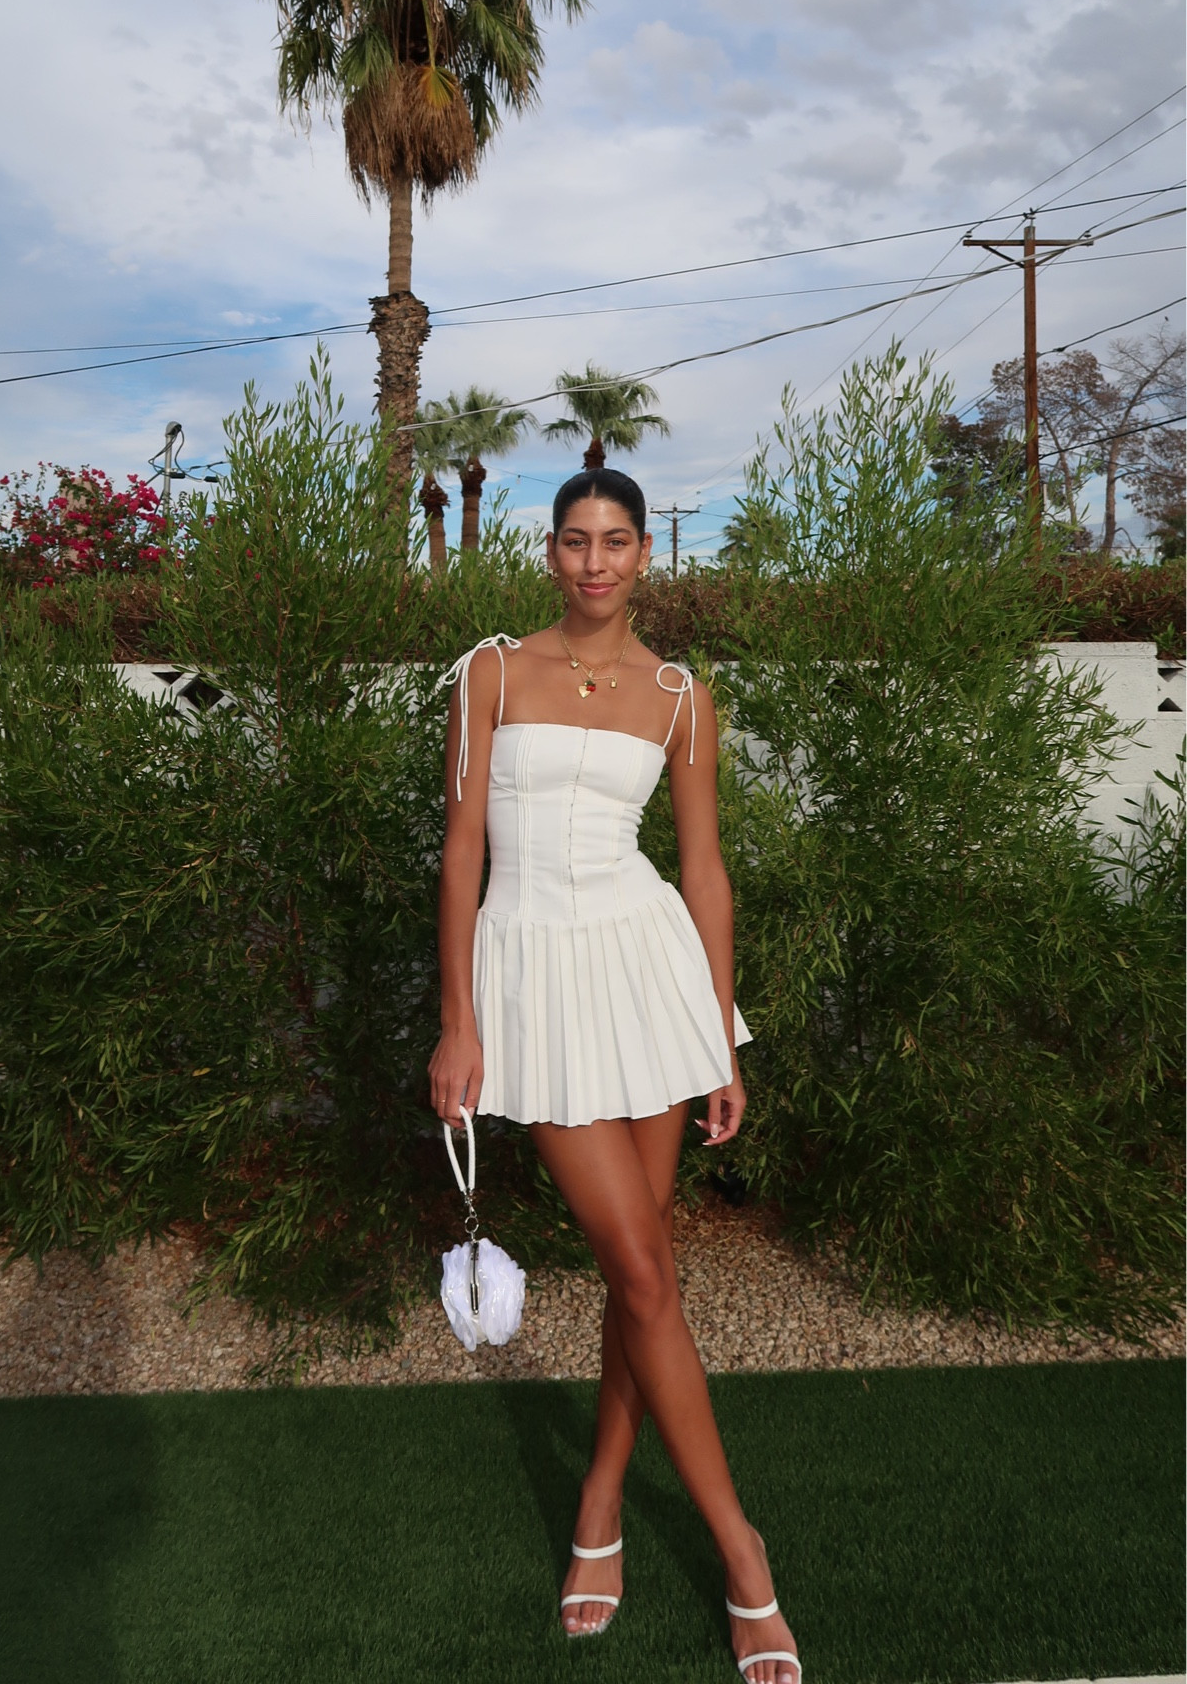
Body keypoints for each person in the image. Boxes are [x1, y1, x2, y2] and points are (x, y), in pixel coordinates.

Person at [429, 468, 801, 1683]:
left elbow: (701, 870)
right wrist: (456, 1020)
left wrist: (718, 1032)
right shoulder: (490, 670)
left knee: (642, 1266)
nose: (595, 561)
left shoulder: (682, 696)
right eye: (576, 540)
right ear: (549, 552)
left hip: (649, 972)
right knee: (638, 1265)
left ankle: (600, 1499)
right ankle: (744, 1558)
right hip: (531, 972)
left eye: (616, 541)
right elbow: (463, 847)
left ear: (646, 554)